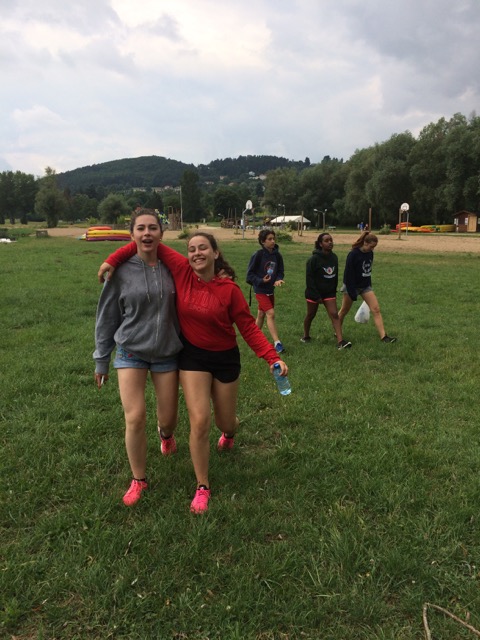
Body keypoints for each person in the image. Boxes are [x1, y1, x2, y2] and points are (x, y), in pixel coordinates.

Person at [98, 231, 288, 514]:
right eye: (191, 249)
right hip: (193, 358)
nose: (197, 253)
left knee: (225, 422)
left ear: (215, 253)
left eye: (203, 248)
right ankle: (202, 485)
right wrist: (113, 259)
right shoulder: (182, 270)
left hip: (225, 359)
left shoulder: (230, 290)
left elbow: (248, 327)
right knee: (200, 421)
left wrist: (272, 357)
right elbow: (147, 241)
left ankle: (229, 433)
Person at [93, 209, 183, 507]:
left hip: (167, 352)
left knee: (168, 419)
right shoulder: (120, 272)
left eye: (153, 228)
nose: (147, 233)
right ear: (132, 234)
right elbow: (106, 317)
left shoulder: (173, 267)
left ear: (161, 233)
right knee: (134, 417)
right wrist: (101, 359)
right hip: (131, 351)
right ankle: (139, 479)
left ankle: (165, 436)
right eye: (141, 228)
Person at [338, 231, 397, 343]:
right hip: (352, 286)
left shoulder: (370, 253)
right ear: (365, 243)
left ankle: (384, 337)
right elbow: (348, 274)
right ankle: (337, 332)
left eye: (374, 247)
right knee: (344, 311)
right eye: (371, 246)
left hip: (365, 286)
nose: (372, 249)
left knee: (376, 309)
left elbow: (368, 271)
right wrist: (351, 291)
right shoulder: (353, 254)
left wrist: (369, 285)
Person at [301, 233, 351, 349]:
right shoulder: (313, 260)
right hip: (314, 293)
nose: (330, 242)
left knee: (334, 314)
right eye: (326, 241)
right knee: (311, 315)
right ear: (320, 244)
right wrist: (316, 296)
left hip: (329, 293)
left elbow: (335, 276)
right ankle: (306, 336)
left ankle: (340, 342)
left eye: (331, 240)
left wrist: (333, 291)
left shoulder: (334, 257)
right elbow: (309, 279)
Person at [246, 229, 286, 354]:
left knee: (261, 315)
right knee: (271, 314)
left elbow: (280, 271)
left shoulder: (277, 255)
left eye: (274, 238)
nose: (273, 241)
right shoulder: (257, 255)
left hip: (270, 290)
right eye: (269, 239)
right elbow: (249, 275)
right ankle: (277, 343)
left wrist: (278, 279)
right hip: (260, 290)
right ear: (263, 241)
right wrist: (261, 280)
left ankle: (253, 339)